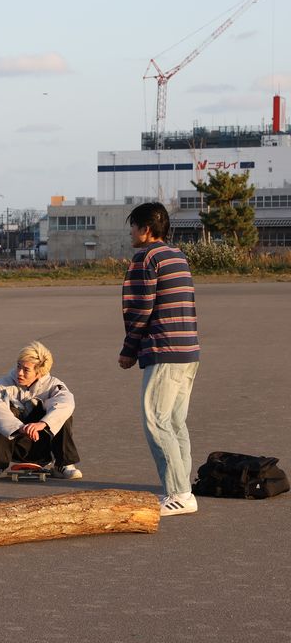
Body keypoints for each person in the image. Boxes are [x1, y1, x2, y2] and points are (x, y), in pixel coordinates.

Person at [119, 202, 200, 517]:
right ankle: (183, 488)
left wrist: (129, 350)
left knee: (156, 420)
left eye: (133, 226)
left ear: (145, 229)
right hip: (188, 348)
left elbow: (140, 309)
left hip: (164, 349)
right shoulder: (178, 256)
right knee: (175, 421)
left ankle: (179, 493)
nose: (131, 232)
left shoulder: (146, 258)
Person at [0, 341, 82, 480]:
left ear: (39, 372)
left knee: (62, 413)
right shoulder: (4, 384)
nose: (19, 373)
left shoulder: (54, 386)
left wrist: (43, 424)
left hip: (43, 444)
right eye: (18, 366)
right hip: (14, 444)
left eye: (26, 370)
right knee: (3, 408)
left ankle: (64, 465)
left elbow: (66, 403)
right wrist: (19, 427)